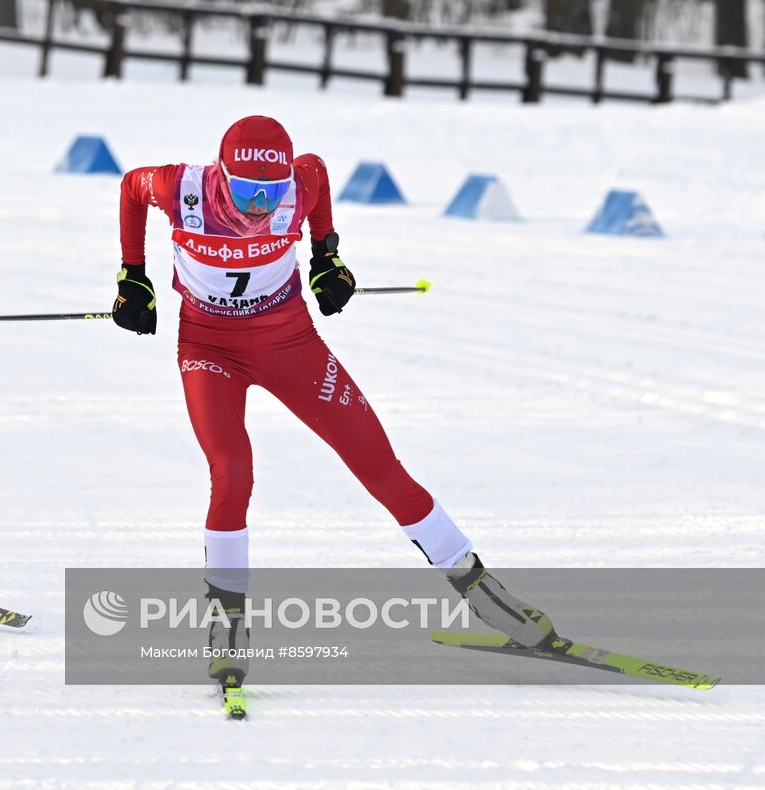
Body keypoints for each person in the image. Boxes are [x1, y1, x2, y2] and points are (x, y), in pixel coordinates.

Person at [110, 115, 553, 695]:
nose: (259, 205)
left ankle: (483, 593)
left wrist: (327, 255)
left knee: (378, 464)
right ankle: (226, 627)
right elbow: (129, 188)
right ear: (222, 173)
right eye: (245, 190)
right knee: (231, 470)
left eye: (270, 192)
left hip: (288, 342)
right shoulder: (180, 187)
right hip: (208, 348)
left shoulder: (303, 182)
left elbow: (315, 172)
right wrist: (132, 275)